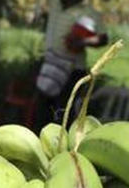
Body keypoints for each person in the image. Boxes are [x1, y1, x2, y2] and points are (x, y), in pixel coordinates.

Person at [34, 0, 108, 130]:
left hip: (72, 70)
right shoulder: (56, 4)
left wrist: (83, 41)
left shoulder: (89, 12)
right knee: (43, 109)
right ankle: (41, 142)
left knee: (63, 112)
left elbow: (103, 38)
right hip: (50, 64)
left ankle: (61, 145)